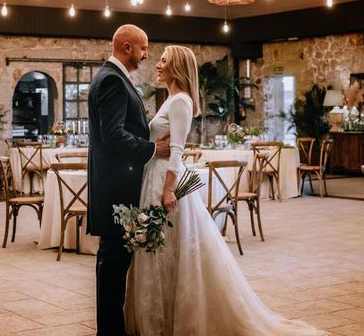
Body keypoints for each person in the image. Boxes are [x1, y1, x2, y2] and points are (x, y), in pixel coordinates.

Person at [124, 45, 322, 336]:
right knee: (160, 251)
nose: (157, 65)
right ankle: (159, 316)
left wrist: (168, 190)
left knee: (169, 250)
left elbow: (177, 150)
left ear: (176, 67)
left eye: (163, 61)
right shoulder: (171, 99)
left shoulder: (180, 102)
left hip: (164, 184)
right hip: (153, 177)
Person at [88, 24, 170, 336]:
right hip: (115, 189)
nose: (146, 55)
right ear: (126, 47)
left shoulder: (113, 78)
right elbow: (113, 135)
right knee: (112, 267)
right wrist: (152, 149)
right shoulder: (112, 80)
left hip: (114, 186)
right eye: (143, 49)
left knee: (113, 265)